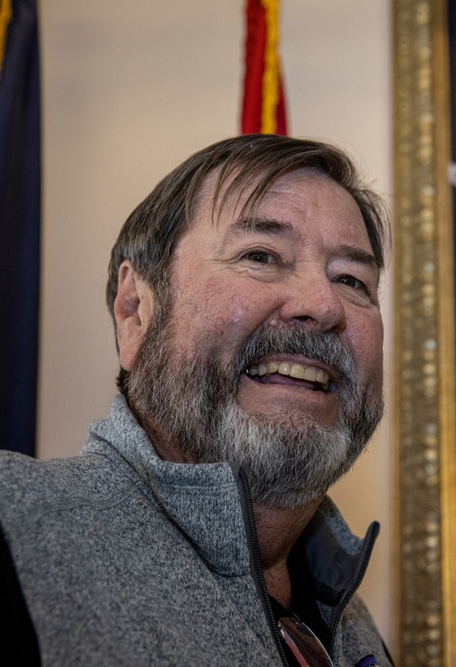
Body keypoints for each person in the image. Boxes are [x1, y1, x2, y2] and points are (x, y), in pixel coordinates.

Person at [0, 134, 394, 666]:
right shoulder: (15, 524)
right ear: (134, 310)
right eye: (261, 255)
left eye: (352, 279)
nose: (323, 305)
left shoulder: (356, 633)